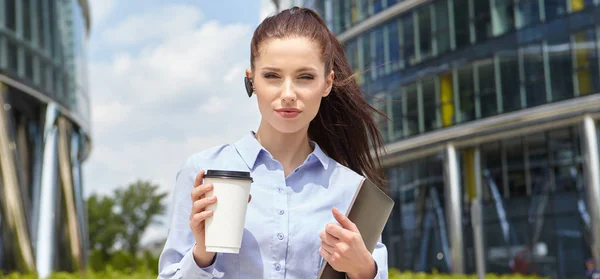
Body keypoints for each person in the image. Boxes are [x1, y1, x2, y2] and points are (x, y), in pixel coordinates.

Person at [158, 6, 389, 279]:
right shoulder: (203, 172)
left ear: (327, 84)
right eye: (272, 76)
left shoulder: (351, 189)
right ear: (251, 80)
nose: (288, 94)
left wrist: (364, 270)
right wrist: (202, 254)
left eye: (305, 77)